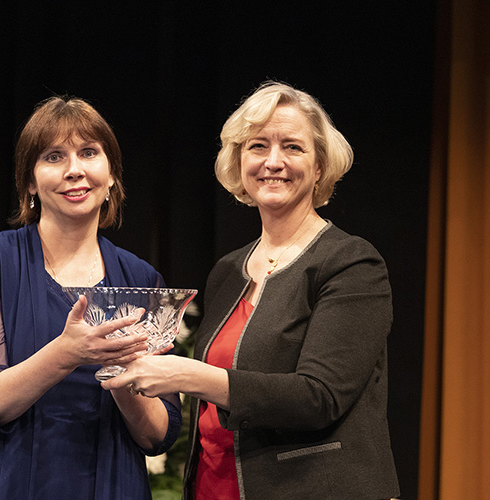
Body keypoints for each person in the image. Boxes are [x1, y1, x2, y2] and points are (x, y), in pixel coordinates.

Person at [103, 81, 400, 500]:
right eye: (258, 146)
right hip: (214, 486)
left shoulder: (351, 263)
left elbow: (319, 397)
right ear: (239, 161)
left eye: (293, 147)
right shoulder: (228, 270)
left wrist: (190, 375)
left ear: (319, 167)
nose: (273, 162)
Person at [0, 96, 181, 500]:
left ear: (112, 173)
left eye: (88, 153)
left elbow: (158, 435)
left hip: (107, 482)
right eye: (53, 157)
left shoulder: (141, 278)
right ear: (29, 181)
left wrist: (119, 374)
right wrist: (67, 352)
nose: (74, 170)